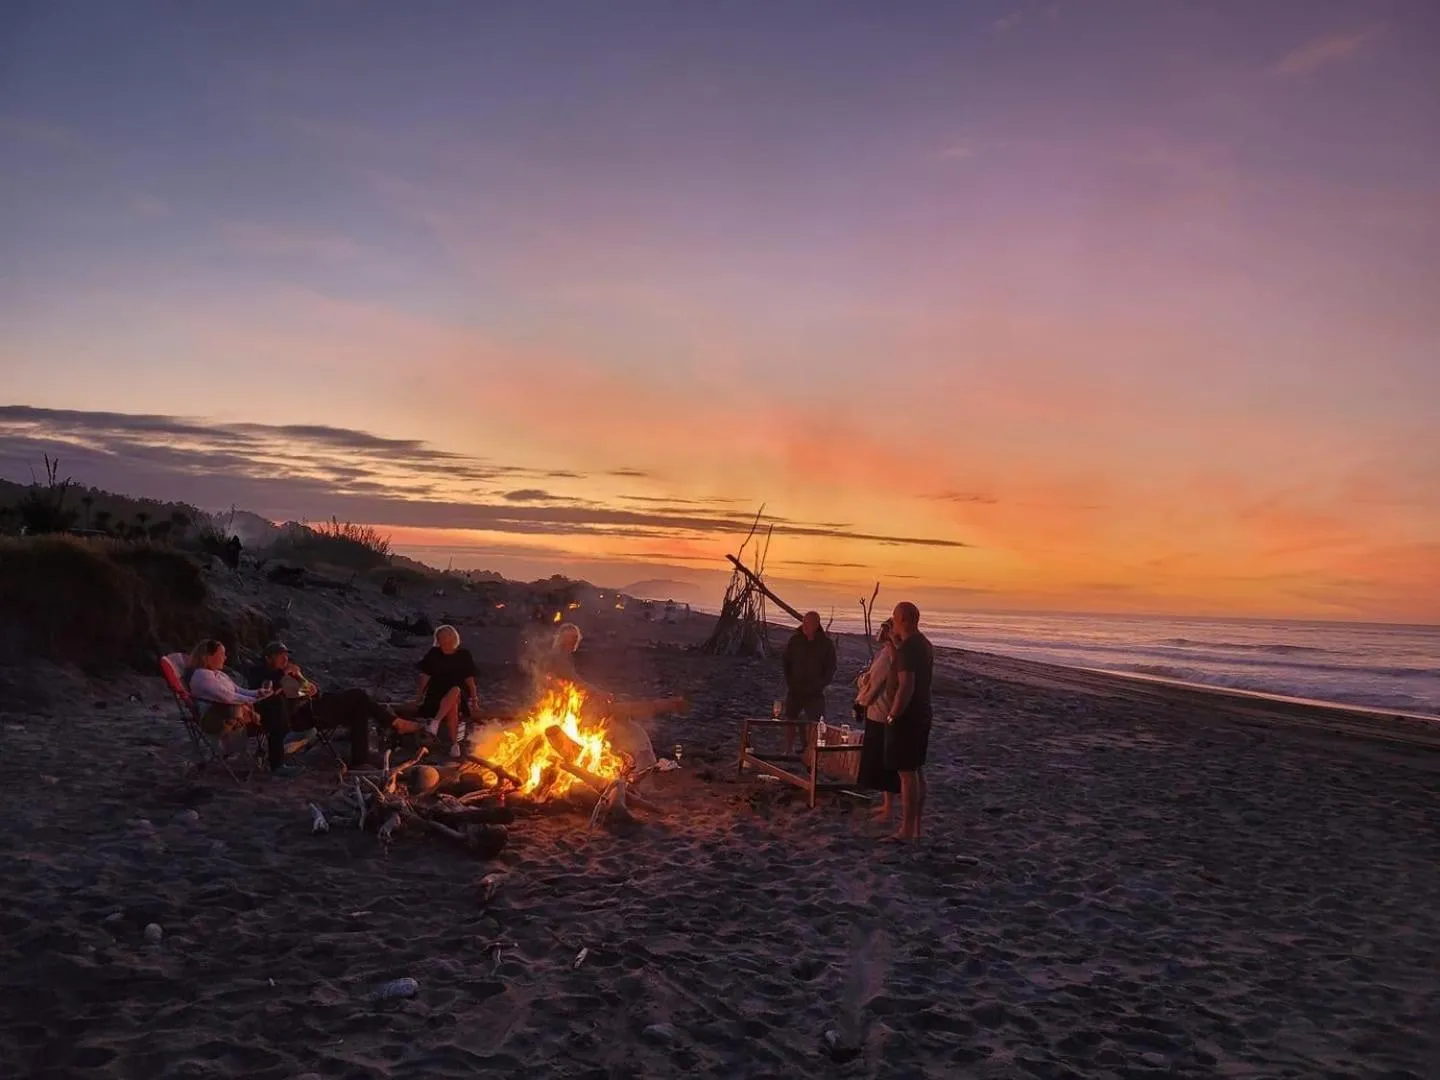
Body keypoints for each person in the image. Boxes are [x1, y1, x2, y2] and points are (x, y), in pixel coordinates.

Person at [249, 641, 395, 769]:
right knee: (358, 697)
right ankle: (392, 724)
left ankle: (361, 759)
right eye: (280, 656)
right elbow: (265, 693)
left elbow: (308, 690)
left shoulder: (287, 674)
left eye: (286, 655)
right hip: (304, 715)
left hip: (313, 706)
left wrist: (304, 682)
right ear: (268, 659)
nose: (285, 659)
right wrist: (285, 676)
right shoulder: (261, 674)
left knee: (359, 704)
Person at [185, 638, 300, 778]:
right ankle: (278, 758)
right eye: (221, 654)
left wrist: (258, 693)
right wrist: (253, 700)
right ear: (208, 657)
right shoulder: (202, 676)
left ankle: (280, 748)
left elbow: (238, 691)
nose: (225, 657)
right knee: (276, 709)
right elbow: (226, 697)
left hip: (234, 711)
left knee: (276, 707)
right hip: (220, 719)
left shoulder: (219, 675)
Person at [883, 602, 934, 841]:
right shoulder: (922, 644)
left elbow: (906, 686)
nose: (892, 621)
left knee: (906, 773)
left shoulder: (910, 649)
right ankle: (915, 829)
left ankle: (905, 830)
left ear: (902, 619)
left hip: (908, 717)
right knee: (916, 770)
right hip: (922, 713)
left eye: (894, 618)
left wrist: (893, 714)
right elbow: (901, 664)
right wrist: (893, 642)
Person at [393, 625, 481, 758]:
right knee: (453, 706)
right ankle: (454, 745)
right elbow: (425, 677)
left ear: (453, 639)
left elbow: (470, 679)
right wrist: (417, 699)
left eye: (445, 640)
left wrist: (474, 700)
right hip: (436, 695)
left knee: (456, 691)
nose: (442, 643)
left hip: (459, 694)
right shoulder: (434, 653)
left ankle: (435, 723)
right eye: (440, 640)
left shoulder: (464, 655)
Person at [854, 619, 900, 816]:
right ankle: (887, 804)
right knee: (884, 759)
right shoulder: (888, 653)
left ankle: (888, 806)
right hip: (881, 710)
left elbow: (874, 684)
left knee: (884, 760)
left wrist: (860, 700)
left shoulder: (890, 655)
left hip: (880, 711)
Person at [781, 611, 837, 753]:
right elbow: (786, 661)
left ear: (816, 625)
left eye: (808, 623)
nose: (805, 625)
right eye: (804, 622)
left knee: (815, 722)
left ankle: (810, 751)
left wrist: (820, 684)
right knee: (790, 719)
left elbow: (831, 667)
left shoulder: (825, 644)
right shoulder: (795, 640)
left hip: (815, 691)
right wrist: (790, 681)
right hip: (795, 688)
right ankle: (788, 749)